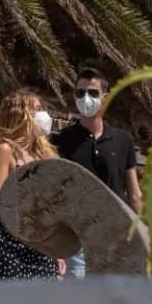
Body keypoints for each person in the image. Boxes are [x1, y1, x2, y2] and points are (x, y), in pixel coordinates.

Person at [52, 64, 143, 279]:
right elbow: (54, 194)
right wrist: (55, 248)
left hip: (115, 236)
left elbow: (134, 194)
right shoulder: (61, 141)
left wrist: (139, 235)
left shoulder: (123, 140)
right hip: (76, 242)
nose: (86, 98)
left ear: (105, 97)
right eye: (80, 93)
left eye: (93, 93)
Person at [0, 89, 63, 281]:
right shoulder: (6, 151)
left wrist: (58, 251)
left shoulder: (44, 156)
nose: (44, 115)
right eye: (37, 109)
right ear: (21, 115)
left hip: (44, 248)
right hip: (12, 248)